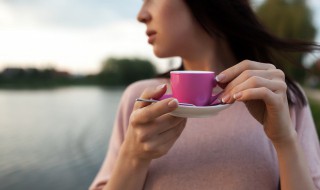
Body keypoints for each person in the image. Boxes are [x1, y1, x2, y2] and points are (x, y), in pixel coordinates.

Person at [90, 0, 320, 189]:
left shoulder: (280, 98)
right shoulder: (141, 99)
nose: (141, 15)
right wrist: (134, 155)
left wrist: (284, 140)